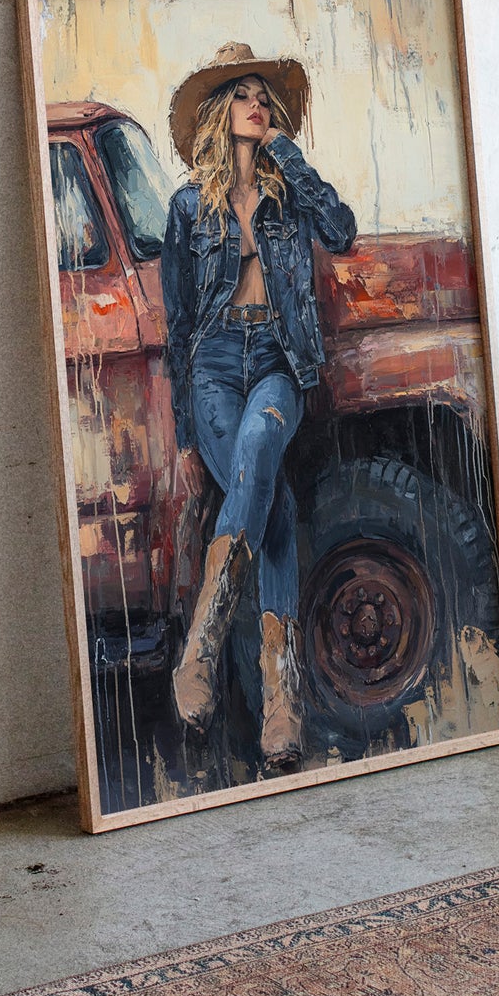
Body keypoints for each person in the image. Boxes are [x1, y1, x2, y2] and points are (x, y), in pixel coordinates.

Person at [160, 41, 357, 772]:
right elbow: (177, 328)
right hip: (213, 367)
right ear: (220, 112)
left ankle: (201, 650)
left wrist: (289, 154)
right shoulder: (186, 208)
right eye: (244, 94)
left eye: (265, 97)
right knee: (268, 508)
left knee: (254, 454)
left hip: (277, 359)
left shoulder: (286, 197)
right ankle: (282, 703)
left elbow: (340, 229)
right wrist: (184, 429)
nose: (258, 104)